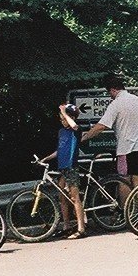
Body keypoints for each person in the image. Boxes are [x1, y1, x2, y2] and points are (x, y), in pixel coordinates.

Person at [85, 76, 138, 195]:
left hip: (126, 148)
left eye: (109, 92)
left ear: (113, 90)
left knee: (123, 179)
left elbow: (102, 126)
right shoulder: (137, 100)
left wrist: (84, 137)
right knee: (137, 178)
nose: (110, 95)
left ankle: (124, 211)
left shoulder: (116, 104)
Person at [55, 100, 87, 237]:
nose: (62, 121)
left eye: (64, 118)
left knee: (75, 198)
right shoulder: (61, 131)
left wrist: (64, 111)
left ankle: (81, 229)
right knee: (62, 197)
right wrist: (45, 159)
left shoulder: (76, 130)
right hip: (62, 168)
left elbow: (74, 125)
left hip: (71, 167)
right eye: (61, 119)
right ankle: (66, 225)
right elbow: (59, 150)